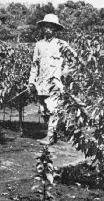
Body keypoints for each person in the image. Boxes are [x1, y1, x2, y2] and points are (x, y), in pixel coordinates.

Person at [28, 14, 76, 145]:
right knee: (44, 110)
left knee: (53, 109)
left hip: (55, 83)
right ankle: (53, 134)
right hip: (41, 83)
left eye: (51, 27)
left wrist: (64, 73)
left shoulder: (61, 44)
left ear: (55, 29)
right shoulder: (39, 45)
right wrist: (31, 82)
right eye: (45, 27)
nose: (47, 30)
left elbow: (72, 61)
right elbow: (34, 65)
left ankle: (50, 137)